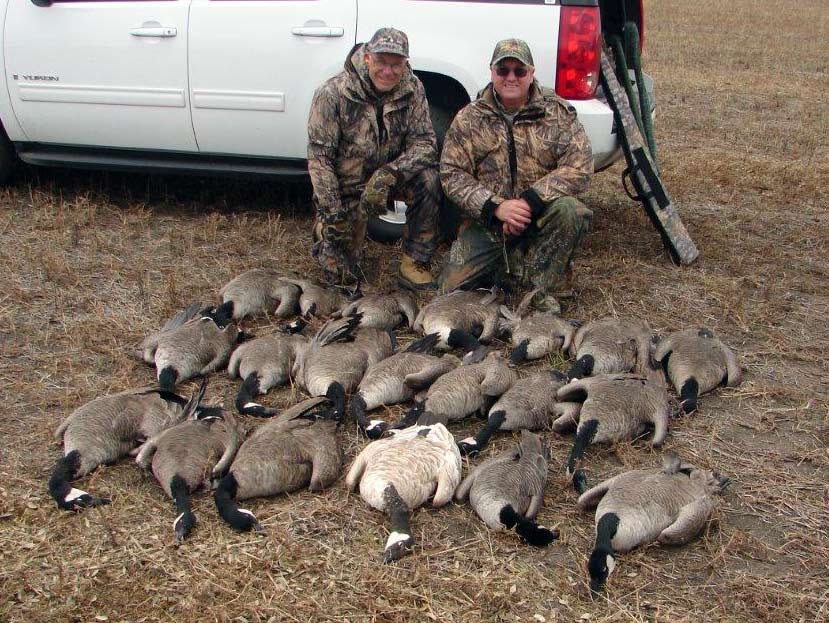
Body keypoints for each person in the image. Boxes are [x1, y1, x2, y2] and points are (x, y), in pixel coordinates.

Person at [439, 39, 594, 312]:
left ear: (531, 73)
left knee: (572, 210)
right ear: (492, 72)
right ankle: (514, 265)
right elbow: (452, 173)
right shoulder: (470, 118)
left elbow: (580, 166)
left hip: (541, 213)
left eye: (519, 71)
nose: (511, 77)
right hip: (490, 220)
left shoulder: (557, 113)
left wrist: (529, 202)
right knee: (449, 289)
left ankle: (543, 286)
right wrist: (496, 207)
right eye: (503, 70)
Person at [307, 27, 441, 290]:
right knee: (342, 280)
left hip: (391, 180)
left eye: (396, 64)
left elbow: (426, 144)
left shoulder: (413, 88)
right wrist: (332, 212)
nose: (388, 71)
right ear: (367, 57)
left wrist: (388, 175)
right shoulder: (332, 92)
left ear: (405, 63)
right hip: (348, 187)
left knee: (430, 179)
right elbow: (319, 159)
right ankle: (324, 228)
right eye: (381, 61)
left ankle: (414, 263)